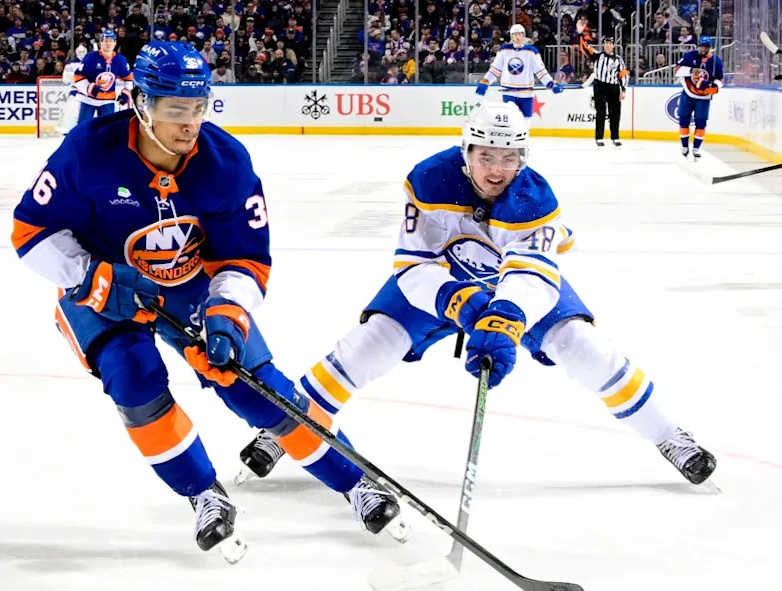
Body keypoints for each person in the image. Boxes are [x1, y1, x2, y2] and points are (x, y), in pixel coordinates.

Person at [11, 41, 406, 563]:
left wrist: (226, 316)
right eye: (176, 109)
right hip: (102, 286)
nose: (190, 122)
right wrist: (93, 276)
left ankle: (356, 481)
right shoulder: (88, 152)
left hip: (192, 282)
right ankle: (203, 494)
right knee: (133, 378)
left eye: (198, 108)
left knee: (257, 388)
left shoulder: (225, 163)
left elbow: (246, 259)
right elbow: (30, 231)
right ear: (141, 103)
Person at [235, 101, 717, 489]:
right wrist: (458, 302)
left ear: (522, 159)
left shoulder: (536, 200)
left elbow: (534, 277)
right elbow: (411, 266)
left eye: (509, 158)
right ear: (466, 151)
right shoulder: (426, 182)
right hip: (437, 281)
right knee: (368, 346)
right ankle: (288, 428)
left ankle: (671, 437)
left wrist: (504, 317)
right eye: (486, 155)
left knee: (584, 349)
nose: (496, 169)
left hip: (513, 285)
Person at [475, 24, 563, 122]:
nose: (518, 37)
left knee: (525, 122)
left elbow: (540, 71)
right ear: (511, 36)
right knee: (510, 120)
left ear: (523, 36)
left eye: (520, 34)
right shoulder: (504, 50)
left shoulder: (532, 51)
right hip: (509, 92)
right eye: (515, 35)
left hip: (527, 93)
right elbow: (495, 70)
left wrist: (551, 83)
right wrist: (485, 81)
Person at [674, 35, 723, 159]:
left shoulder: (716, 61)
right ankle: (685, 146)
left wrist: (716, 86)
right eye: (701, 46)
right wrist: (691, 71)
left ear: (710, 48)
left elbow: (720, 79)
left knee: (701, 122)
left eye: (706, 47)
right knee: (683, 120)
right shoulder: (690, 56)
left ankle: (696, 148)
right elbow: (677, 71)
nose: (703, 48)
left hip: (704, 96)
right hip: (688, 92)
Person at [72, 30, 132, 124]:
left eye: (111, 41)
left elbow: (129, 79)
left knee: (107, 130)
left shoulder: (120, 60)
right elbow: (77, 76)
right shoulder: (90, 57)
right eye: (106, 41)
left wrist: (125, 92)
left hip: (108, 100)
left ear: (115, 43)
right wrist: (89, 88)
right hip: (88, 99)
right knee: (83, 128)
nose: (108, 43)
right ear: (100, 43)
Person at [580, 35, 628, 148]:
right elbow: (584, 47)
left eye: (610, 43)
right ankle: (599, 137)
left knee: (615, 113)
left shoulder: (618, 59)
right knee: (600, 112)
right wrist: (581, 35)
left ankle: (615, 137)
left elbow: (623, 74)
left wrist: (624, 89)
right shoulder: (597, 55)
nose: (607, 45)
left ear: (613, 46)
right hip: (600, 86)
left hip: (614, 87)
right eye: (605, 43)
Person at [56, 43, 88, 135]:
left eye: (83, 52)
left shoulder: (90, 63)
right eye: (80, 52)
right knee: (71, 110)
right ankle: (67, 128)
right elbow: (66, 79)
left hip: (86, 92)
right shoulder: (71, 65)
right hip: (76, 91)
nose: (81, 53)